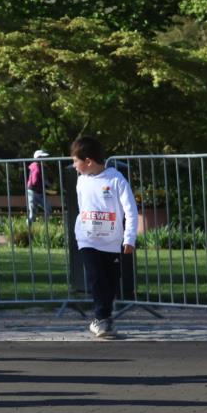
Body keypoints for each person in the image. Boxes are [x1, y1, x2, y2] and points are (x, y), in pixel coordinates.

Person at [71, 136, 138, 339]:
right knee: (96, 277)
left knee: (110, 282)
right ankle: (101, 318)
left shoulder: (116, 179)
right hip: (87, 240)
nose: (74, 166)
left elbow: (131, 210)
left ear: (89, 161)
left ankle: (104, 319)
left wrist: (129, 238)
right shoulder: (81, 180)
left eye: (76, 161)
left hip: (111, 242)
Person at [26, 149, 51, 225]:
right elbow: (35, 180)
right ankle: (30, 229)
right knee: (35, 212)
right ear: (38, 158)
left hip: (36, 191)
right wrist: (45, 183)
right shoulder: (37, 166)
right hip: (34, 192)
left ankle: (44, 226)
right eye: (43, 157)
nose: (45, 159)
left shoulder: (38, 166)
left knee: (46, 209)